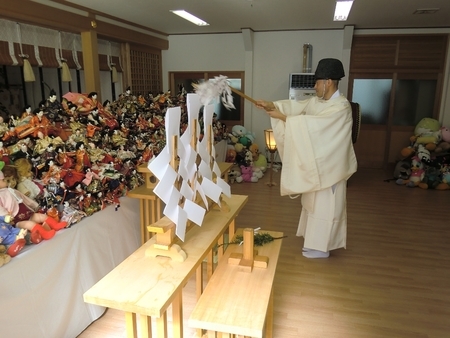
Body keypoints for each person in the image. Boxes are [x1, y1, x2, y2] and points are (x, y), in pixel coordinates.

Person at [255, 58, 357, 259]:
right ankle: (313, 241)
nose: (315, 86)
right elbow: (295, 108)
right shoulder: (317, 102)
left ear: (328, 82)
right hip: (318, 164)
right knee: (313, 204)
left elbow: (313, 127)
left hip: (331, 168)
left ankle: (322, 247)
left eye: (317, 82)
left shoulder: (341, 107)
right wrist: (271, 105)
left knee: (327, 208)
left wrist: (283, 118)